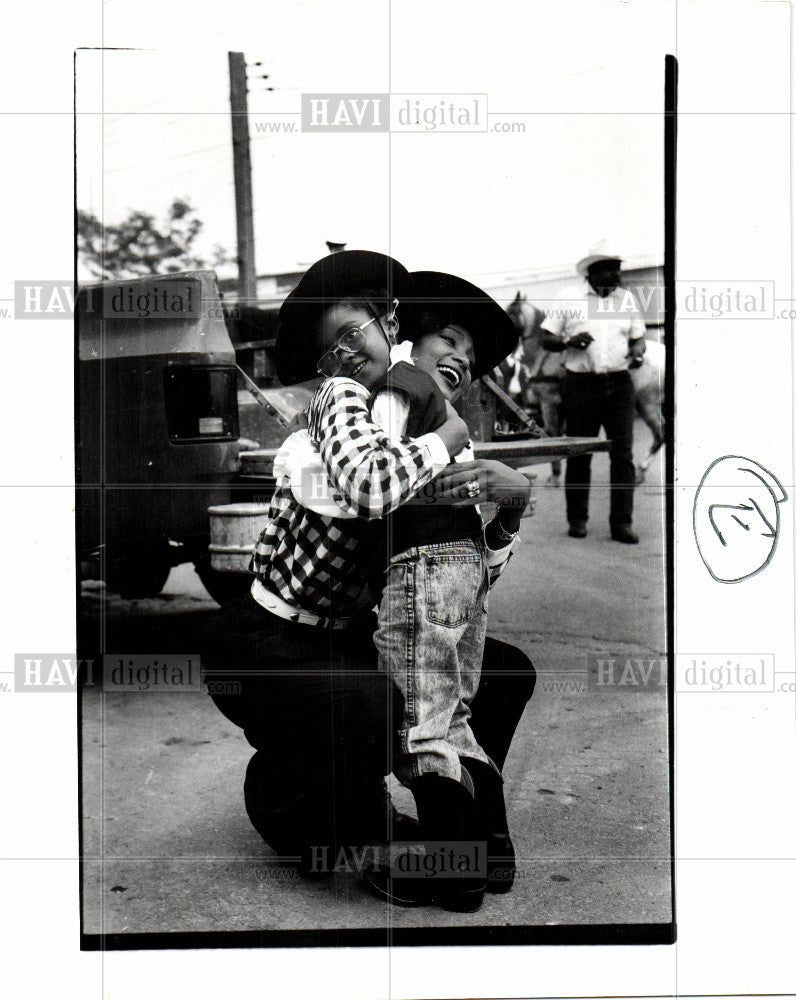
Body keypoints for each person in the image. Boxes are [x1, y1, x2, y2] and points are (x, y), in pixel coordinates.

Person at [201, 251, 537, 884]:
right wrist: (447, 442)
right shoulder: (344, 405)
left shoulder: (424, 423)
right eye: (334, 345)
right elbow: (369, 488)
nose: (349, 352)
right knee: (371, 702)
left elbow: (449, 591)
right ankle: (340, 829)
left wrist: (510, 508)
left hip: (349, 634)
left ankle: (471, 821)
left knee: (504, 671)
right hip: (272, 639)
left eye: (357, 332)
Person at [285, 270, 529, 911]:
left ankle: (456, 875)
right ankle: (487, 857)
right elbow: (395, 466)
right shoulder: (422, 399)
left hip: (421, 564)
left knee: (421, 722)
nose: (460, 359)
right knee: (455, 719)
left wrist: (504, 502)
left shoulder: (399, 389)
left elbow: (382, 466)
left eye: (470, 358)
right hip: (460, 568)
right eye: (448, 339)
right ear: (407, 340)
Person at [540, 252, 646, 543]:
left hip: (619, 384)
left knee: (622, 456)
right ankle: (577, 520)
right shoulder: (568, 298)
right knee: (579, 453)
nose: (617, 276)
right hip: (580, 385)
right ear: (591, 273)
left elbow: (638, 338)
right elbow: (544, 338)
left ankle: (622, 525)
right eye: (610, 271)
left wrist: (637, 353)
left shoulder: (626, 299)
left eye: (618, 270)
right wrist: (567, 341)